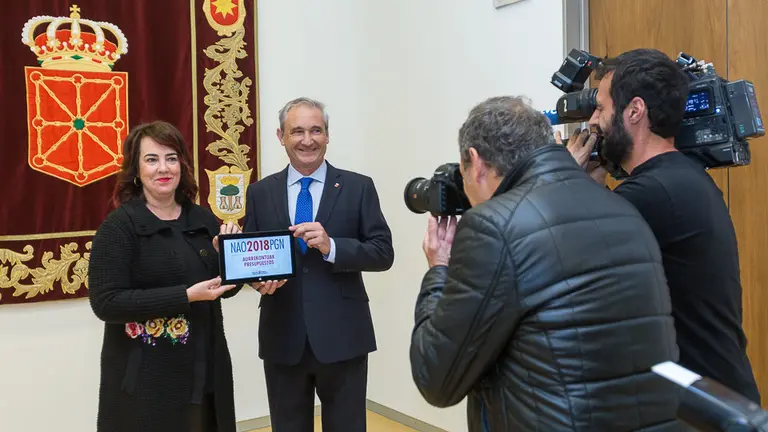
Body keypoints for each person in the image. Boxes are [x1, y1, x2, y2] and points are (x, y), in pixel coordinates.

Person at [409, 96, 686, 431]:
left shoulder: (493, 225)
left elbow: (436, 378)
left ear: (475, 161)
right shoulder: (624, 209)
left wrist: (439, 270)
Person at [562, 48, 761, 404]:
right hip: (715, 401)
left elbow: (560, 262)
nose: (592, 121)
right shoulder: (678, 179)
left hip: (702, 412)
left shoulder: (652, 194)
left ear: (634, 111)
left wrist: (563, 181)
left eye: (602, 109)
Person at [242, 97, 394, 431]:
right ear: (281, 136)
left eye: (316, 130)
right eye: (297, 131)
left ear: (327, 135)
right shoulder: (260, 192)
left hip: (344, 336)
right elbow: (252, 261)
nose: (307, 140)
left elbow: (383, 252)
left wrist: (333, 246)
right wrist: (257, 281)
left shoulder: (358, 187)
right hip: (283, 335)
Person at [88, 121, 242, 432]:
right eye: (151, 159)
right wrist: (184, 296)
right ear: (135, 169)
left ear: (182, 165)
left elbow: (225, 288)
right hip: (148, 381)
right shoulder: (119, 227)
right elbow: (106, 303)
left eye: (171, 158)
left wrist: (229, 258)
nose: (164, 168)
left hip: (205, 370)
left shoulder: (202, 218)